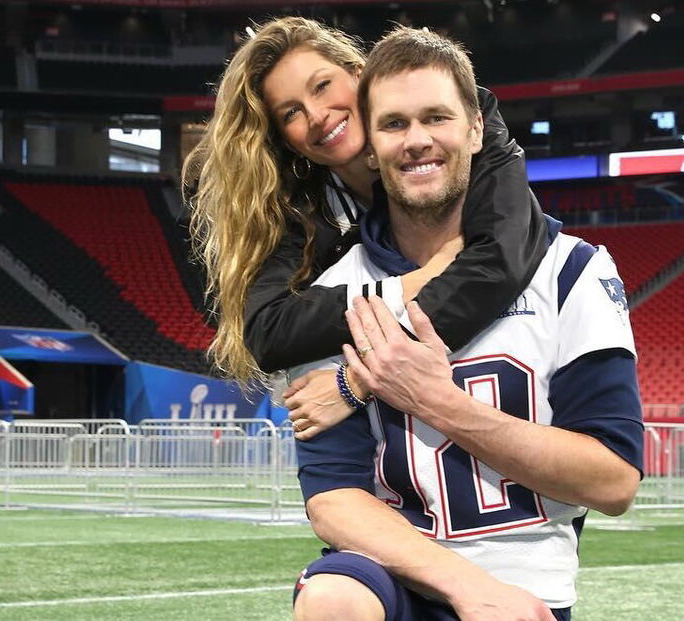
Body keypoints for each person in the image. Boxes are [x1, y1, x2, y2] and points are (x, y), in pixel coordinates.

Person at [290, 26, 643, 620]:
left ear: (476, 128)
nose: (418, 140)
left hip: (528, 587)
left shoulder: (571, 269)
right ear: (369, 149)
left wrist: (437, 401)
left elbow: (613, 481)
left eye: (437, 117)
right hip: (394, 569)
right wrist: (465, 586)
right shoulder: (333, 292)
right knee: (333, 599)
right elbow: (331, 497)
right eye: (394, 124)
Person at [181, 17, 551, 433]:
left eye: (322, 86)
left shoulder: (463, 116)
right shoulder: (295, 206)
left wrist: (356, 381)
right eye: (291, 113)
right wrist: (417, 281)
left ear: (358, 75)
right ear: (285, 138)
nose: (318, 115)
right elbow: (270, 332)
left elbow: (502, 259)